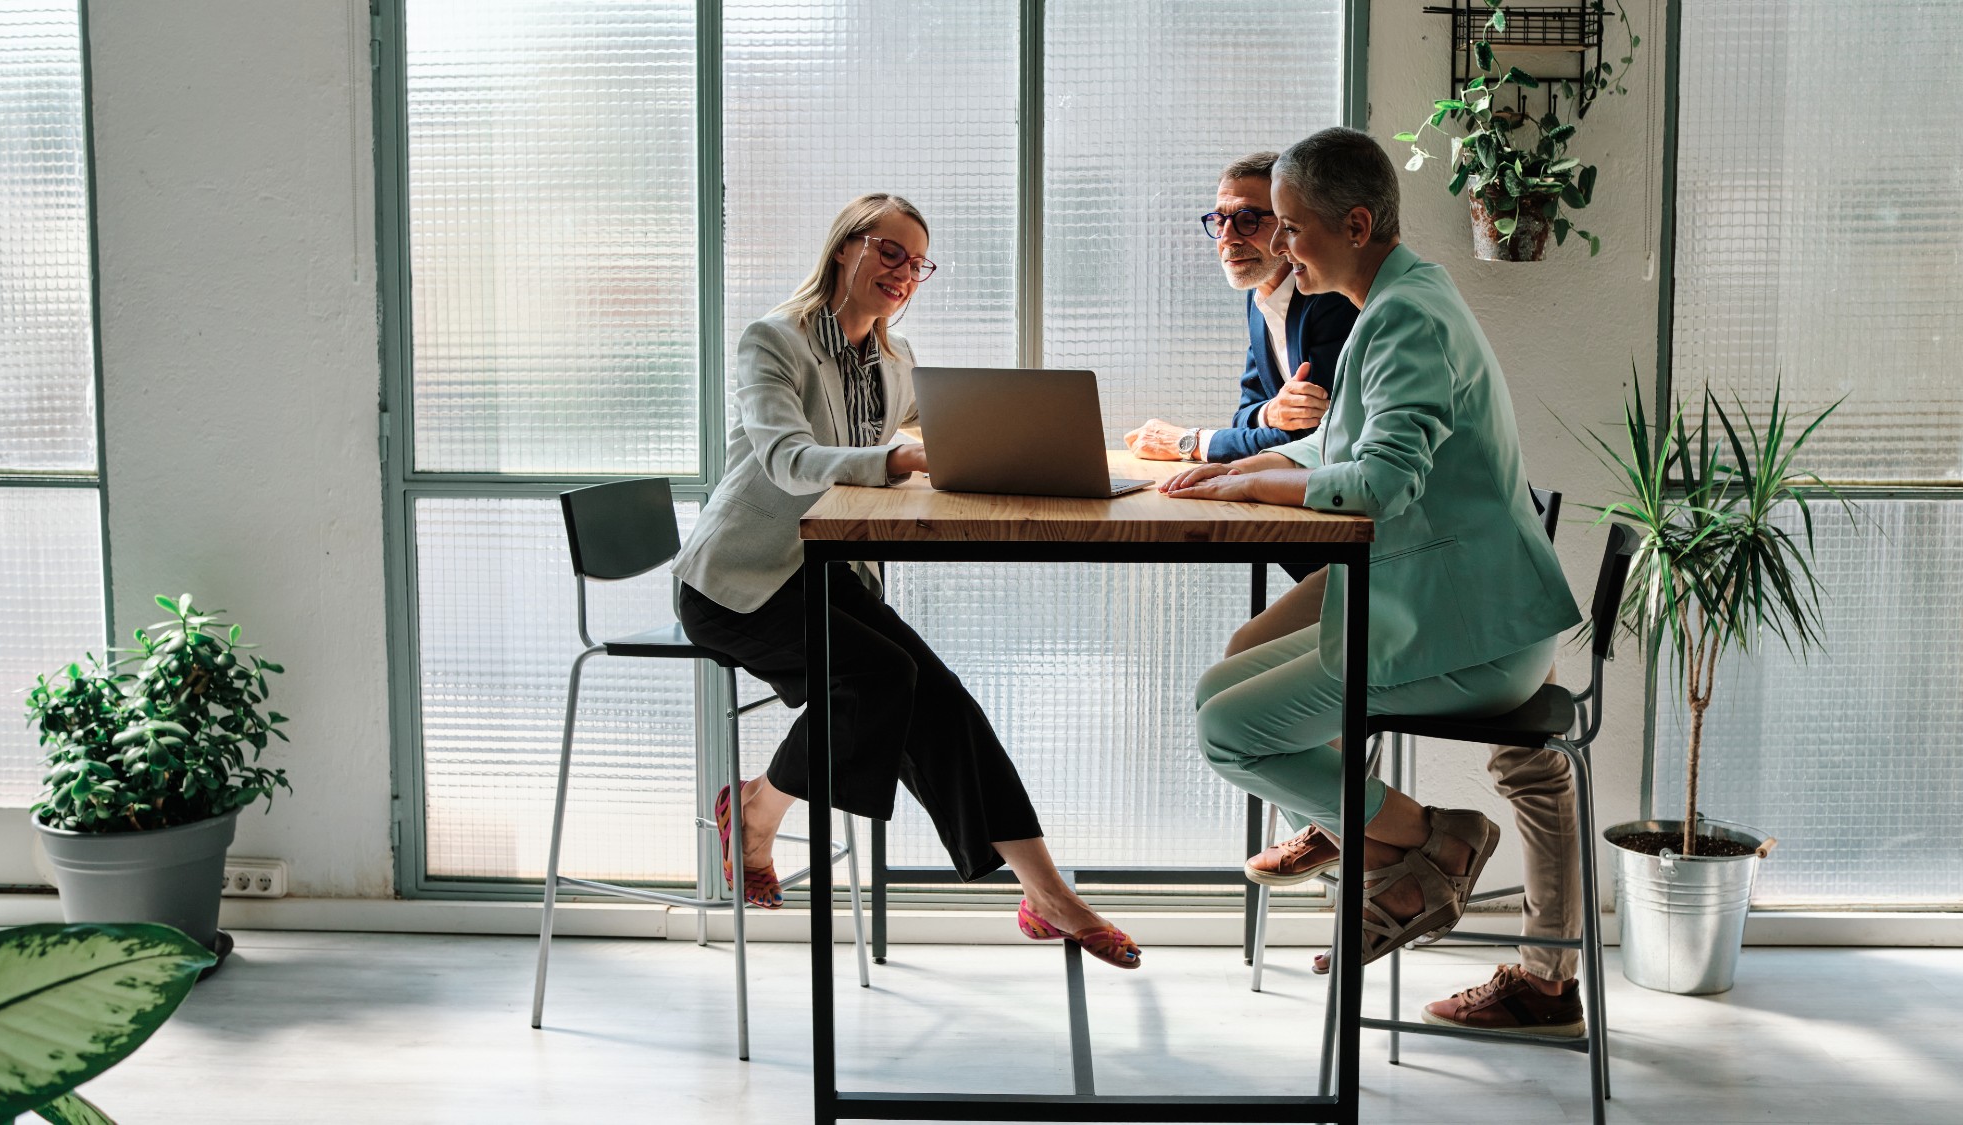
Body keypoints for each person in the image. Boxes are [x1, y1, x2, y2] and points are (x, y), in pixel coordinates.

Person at [1164, 128, 1586, 1033]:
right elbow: (1345, 446)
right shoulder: (1401, 294)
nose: (1279, 248)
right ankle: (1415, 844)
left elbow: (1382, 482)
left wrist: (1259, 474)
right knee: (1218, 690)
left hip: (1473, 633)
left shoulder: (1403, 318)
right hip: (1445, 604)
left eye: (1290, 229)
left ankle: (1429, 840)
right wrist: (1244, 466)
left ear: (1354, 224)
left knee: (1227, 731)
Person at [671, 193, 1139, 969]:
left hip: (826, 573)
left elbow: (955, 423)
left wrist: (1034, 443)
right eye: (890, 252)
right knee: (885, 678)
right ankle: (758, 809)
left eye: (917, 263)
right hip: (738, 585)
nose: (904, 273)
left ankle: (1044, 889)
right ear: (844, 245)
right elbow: (788, 459)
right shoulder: (773, 342)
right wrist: (892, 459)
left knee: (938, 692)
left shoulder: (896, 359)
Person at [1123, 152, 1358, 467]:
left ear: (1290, 225)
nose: (1227, 238)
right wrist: (1269, 412)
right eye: (1220, 221)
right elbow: (1245, 414)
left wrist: (1190, 442)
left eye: (1248, 220)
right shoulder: (1259, 295)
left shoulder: (1330, 299)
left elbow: (1312, 441)